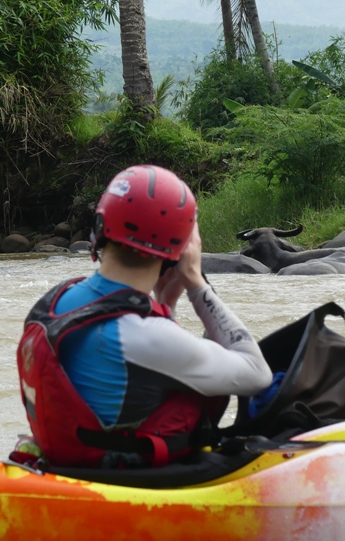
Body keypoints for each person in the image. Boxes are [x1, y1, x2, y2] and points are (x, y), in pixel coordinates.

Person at [15, 165, 272, 468]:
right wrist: (195, 282)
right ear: (181, 248)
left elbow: (145, 372)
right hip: (115, 477)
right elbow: (257, 374)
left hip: (71, 458)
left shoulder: (57, 299)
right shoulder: (140, 334)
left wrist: (165, 301)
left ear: (99, 228)